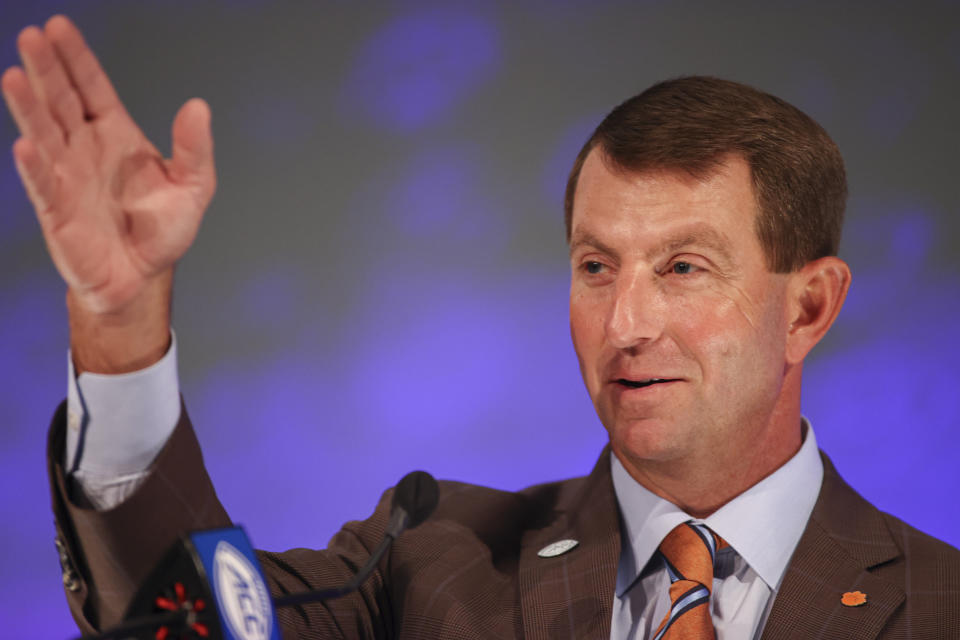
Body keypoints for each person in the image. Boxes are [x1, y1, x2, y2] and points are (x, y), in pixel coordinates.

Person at [4, 14, 958, 640]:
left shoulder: (939, 603)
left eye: (682, 268)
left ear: (809, 307)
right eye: (595, 268)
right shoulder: (427, 562)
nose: (624, 323)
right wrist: (120, 319)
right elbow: (197, 625)